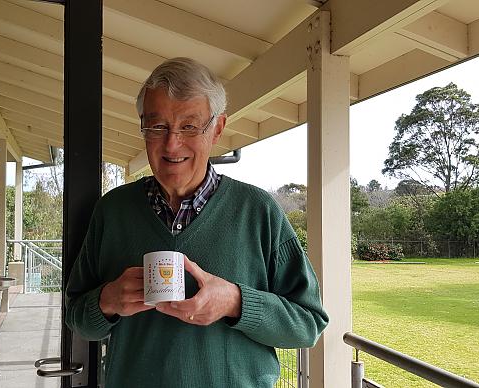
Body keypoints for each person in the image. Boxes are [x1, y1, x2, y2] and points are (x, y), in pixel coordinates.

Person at [65, 57, 328, 387]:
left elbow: (309, 324)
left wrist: (235, 302)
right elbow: (76, 314)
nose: (172, 143)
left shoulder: (257, 211)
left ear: (217, 128)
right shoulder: (113, 211)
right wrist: (107, 301)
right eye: (157, 126)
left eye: (190, 126)